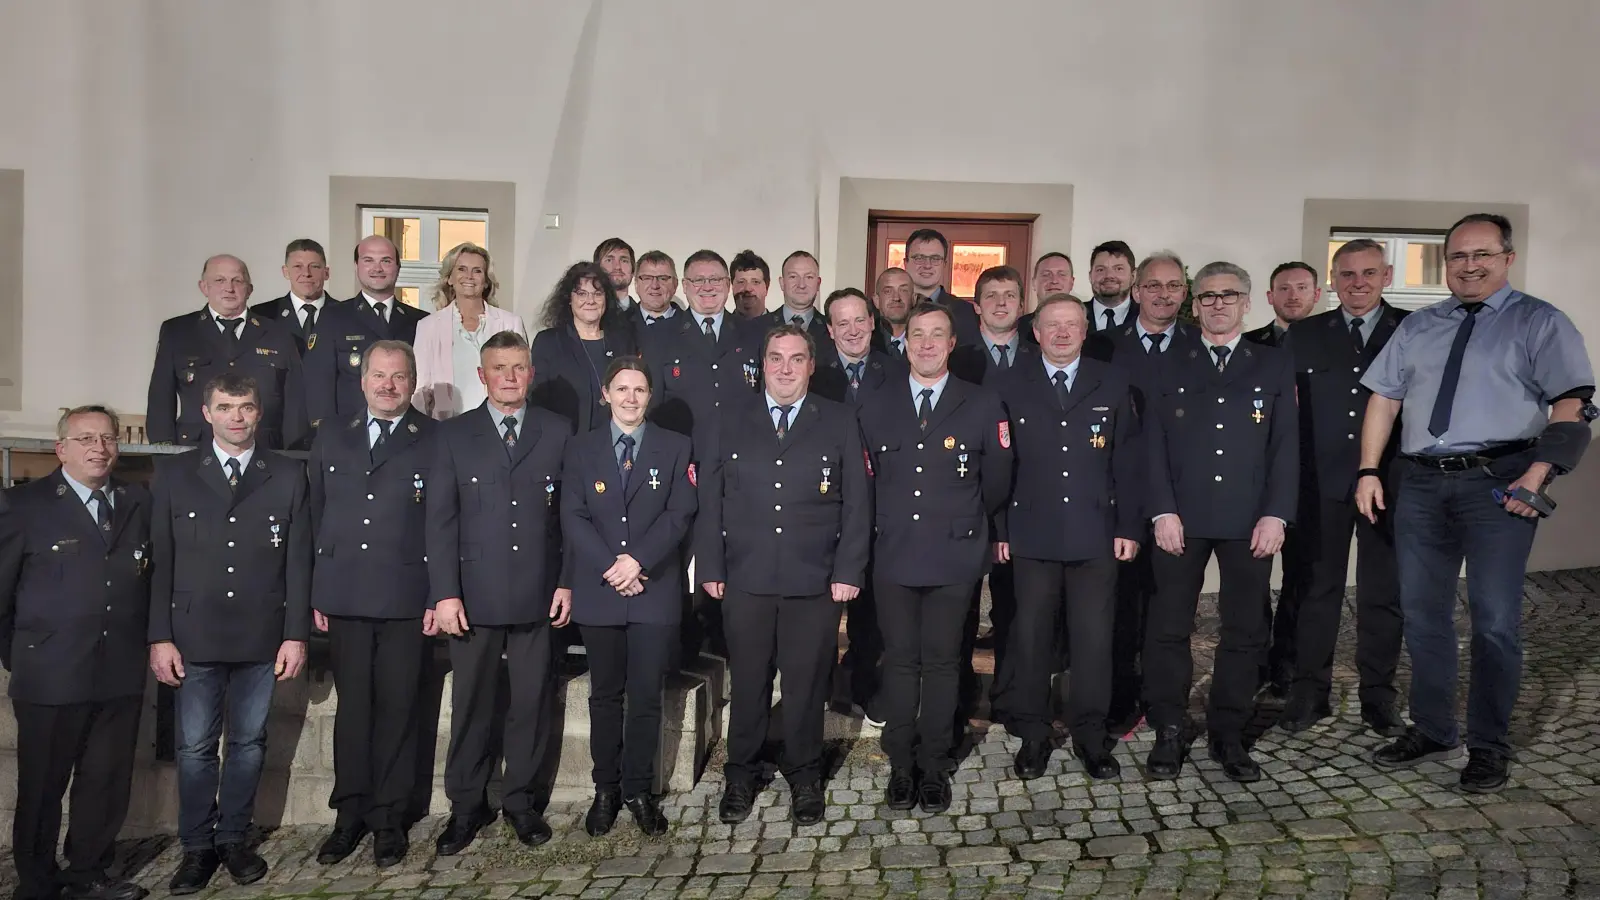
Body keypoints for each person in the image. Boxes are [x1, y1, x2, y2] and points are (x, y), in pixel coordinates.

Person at [1358, 213, 1596, 793]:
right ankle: (1435, 727)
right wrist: (1369, 470)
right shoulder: (1417, 326)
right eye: (1459, 256)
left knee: (1494, 621)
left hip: (1500, 483)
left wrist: (1539, 475)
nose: (1469, 265)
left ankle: (1489, 745)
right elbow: (1384, 401)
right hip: (1418, 483)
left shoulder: (1540, 322)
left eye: (1482, 254)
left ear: (1506, 258)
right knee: (1422, 614)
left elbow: (1573, 402)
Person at [696, 325, 871, 826]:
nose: (786, 368)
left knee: (805, 684)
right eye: (776, 358)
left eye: (796, 359)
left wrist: (847, 570)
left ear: (811, 366)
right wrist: (709, 564)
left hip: (813, 580)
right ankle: (741, 772)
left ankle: (805, 774)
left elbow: (857, 503)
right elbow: (711, 500)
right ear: (762, 364)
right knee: (748, 682)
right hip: (745, 577)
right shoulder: (728, 419)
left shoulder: (838, 420)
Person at [148, 373, 311, 893]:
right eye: (226, 407)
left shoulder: (285, 475)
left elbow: (299, 562)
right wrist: (159, 636)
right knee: (195, 747)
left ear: (258, 413)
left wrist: (295, 633)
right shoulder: (175, 474)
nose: (236, 417)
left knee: (247, 743)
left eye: (245, 407)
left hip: (260, 634)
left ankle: (233, 840)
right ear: (206, 413)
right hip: (193, 634)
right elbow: (161, 562)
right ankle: (196, 847)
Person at [1141, 262, 1297, 783]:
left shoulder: (1272, 365)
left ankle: (1228, 732)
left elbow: (1285, 448)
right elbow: (1152, 446)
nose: (1218, 304)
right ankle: (1168, 726)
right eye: (1207, 297)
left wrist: (1276, 513)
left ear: (1248, 302)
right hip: (1179, 519)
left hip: (1249, 519)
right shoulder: (1169, 363)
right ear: (1195, 304)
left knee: (1246, 630)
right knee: (1167, 629)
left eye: (1229, 295)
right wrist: (1161, 509)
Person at [859, 302, 1011, 812]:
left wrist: (966, 525)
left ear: (951, 345)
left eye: (937, 335)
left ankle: (935, 762)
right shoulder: (875, 404)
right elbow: (865, 482)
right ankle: (902, 762)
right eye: (917, 334)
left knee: (945, 662)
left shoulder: (982, 402)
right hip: (894, 551)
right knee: (901, 661)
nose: (925, 343)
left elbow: (997, 480)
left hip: (954, 552)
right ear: (905, 344)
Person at [427, 330, 573, 854]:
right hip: (474, 595)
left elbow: (570, 518)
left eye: (518, 367)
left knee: (532, 701)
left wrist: (567, 581)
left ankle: (521, 803)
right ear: (482, 375)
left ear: (530, 373)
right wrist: (445, 594)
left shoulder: (557, 431)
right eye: (499, 368)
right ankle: (466, 806)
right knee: (473, 704)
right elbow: (440, 521)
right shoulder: (453, 436)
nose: (509, 377)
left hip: (538, 590)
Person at [0, 407, 152, 900]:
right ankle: (37, 882)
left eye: (108, 438)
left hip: (118, 669)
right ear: (61, 448)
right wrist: (23, 655)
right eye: (85, 438)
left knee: (105, 782)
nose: (99, 447)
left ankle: (89, 871)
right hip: (50, 672)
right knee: (43, 786)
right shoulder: (24, 505)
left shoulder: (136, 501)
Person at [992, 296, 1142, 781]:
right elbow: (998, 465)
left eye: (1071, 325)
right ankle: (1034, 736)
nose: (1061, 333)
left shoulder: (1114, 381)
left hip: (1096, 534)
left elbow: (1128, 459)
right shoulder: (1009, 383)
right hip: (1030, 534)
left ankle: (1091, 736)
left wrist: (1128, 526)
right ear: (1035, 332)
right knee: (1031, 640)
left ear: (1084, 330)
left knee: (1094, 642)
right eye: (1052, 325)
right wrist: (999, 530)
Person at [306, 341, 437, 869]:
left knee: (400, 708)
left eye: (398, 376)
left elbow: (440, 523)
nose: (387, 385)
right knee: (353, 709)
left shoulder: (432, 438)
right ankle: (350, 814)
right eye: (378, 376)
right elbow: (315, 513)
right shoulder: (332, 434)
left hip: (407, 594)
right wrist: (318, 588)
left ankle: (389, 818)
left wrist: (438, 592)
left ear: (413, 382)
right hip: (345, 593)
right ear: (363, 381)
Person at [1275, 242, 1407, 735]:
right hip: (1319, 483)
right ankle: (1309, 693)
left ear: (1387, 275)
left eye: (1369, 273)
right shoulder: (1304, 334)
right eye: (1347, 274)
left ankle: (1379, 696)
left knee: (1382, 594)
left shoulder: (1412, 329)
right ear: (1332, 280)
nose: (1358, 283)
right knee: (1315, 590)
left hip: (1389, 482)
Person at [560, 359, 696, 838]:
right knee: (603, 695)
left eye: (640, 389)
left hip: (653, 588)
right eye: (622, 388)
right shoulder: (580, 449)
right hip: (601, 591)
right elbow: (573, 515)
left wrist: (637, 561)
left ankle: (639, 789)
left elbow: (680, 513)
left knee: (644, 697)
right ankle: (605, 789)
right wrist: (611, 567)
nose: (631, 398)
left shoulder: (675, 447)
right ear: (605, 393)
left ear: (650, 395)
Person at [1089, 252, 1198, 731]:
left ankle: (1164, 704)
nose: (1163, 294)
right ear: (1136, 291)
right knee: (1119, 607)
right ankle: (1119, 698)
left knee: (1170, 610)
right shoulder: (1105, 347)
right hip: (1120, 496)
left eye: (1173, 286)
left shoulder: (1199, 346)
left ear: (1184, 293)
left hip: (1181, 497)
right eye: (1153, 286)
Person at [642, 250, 763, 658]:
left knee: (735, 555)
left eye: (715, 280)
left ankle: (728, 645)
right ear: (684, 286)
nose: (707, 288)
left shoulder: (752, 335)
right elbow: (654, 410)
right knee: (681, 558)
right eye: (698, 281)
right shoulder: (661, 338)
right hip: (683, 470)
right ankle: (681, 650)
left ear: (729, 285)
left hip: (739, 472)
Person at [946, 266, 1038, 724]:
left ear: (1022, 306)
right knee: (961, 609)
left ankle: (1010, 698)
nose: (1001, 303)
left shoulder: (1042, 357)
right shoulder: (956, 359)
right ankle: (959, 698)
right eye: (992, 296)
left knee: (1015, 608)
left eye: (1010, 295)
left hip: (1026, 502)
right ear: (976, 306)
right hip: (965, 500)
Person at [812, 288, 900, 721]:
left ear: (872, 322)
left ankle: (865, 685)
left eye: (858, 320)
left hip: (881, 504)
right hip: (823, 504)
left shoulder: (898, 371)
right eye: (841, 323)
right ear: (829, 330)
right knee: (819, 610)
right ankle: (824, 688)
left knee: (871, 611)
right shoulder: (814, 373)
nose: (851, 330)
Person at [146, 254, 308, 450]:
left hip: (264, 453)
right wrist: (165, 456)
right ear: (204, 287)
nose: (229, 288)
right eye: (219, 280)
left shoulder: (278, 334)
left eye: (237, 281)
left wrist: (292, 457)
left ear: (249, 289)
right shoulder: (178, 332)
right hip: (195, 453)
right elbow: (160, 401)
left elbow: (295, 405)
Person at [305, 236, 427, 421]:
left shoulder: (421, 321)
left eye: (386, 261)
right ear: (356, 267)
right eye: (368, 260)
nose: (377, 268)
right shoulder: (333, 317)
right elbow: (318, 385)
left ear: (398, 267)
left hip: (408, 435)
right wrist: (326, 436)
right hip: (351, 436)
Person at [412, 242, 528, 421]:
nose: (469, 276)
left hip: (499, 425)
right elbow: (420, 391)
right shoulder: (428, 326)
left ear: (486, 280)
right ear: (449, 278)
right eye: (462, 269)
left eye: (477, 271)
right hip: (447, 428)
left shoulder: (510, 323)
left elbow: (522, 379)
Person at [531, 262, 641, 436]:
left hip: (614, 444)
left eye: (597, 294)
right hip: (565, 445)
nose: (590, 301)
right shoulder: (549, 342)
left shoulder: (623, 341)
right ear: (569, 298)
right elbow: (536, 401)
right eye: (582, 294)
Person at [250, 238, 338, 358]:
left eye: (314, 267)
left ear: (326, 273)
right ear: (286, 272)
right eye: (298, 266)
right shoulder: (263, 315)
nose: (306, 273)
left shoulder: (346, 314)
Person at [901, 229, 982, 346]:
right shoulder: (892, 308)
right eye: (919, 258)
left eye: (935, 259)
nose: (927, 265)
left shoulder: (968, 313)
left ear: (944, 264)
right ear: (906, 263)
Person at [761, 251, 835, 359]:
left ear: (818, 283)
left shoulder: (833, 331)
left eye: (809, 277)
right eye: (793, 277)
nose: (801, 285)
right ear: (782, 283)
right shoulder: (758, 328)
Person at [1245, 261, 1321, 346]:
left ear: (1316, 295)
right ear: (1270, 297)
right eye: (1284, 289)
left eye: (1302, 288)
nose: (1293, 297)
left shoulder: (1334, 342)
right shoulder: (1245, 343)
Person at [1016, 252, 1074, 345]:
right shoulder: (1017, 329)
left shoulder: (1086, 326)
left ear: (1072, 283)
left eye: (1061, 274)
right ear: (1034, 283)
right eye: (1046, 275)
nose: (1054, 281)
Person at [1085, 241, 1138, 334]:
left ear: (1133, 276)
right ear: (1090, 276)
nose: (1109, 275)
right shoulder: (1072, 315)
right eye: (1100, 269)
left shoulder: (1147, 316)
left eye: (1118, 269)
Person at [629, 250, 684, 333]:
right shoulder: (618, 325)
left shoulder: (694, 326)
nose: (655, 286)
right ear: (636, 284)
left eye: (663, 278)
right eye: (647, 278)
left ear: (675, 284)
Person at [874, 267, 915, 357]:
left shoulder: (925, 341)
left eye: (903, 290)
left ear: (913, 299)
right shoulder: (864, 340)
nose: (896, 298)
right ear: (876, 301)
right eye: (888, 291)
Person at [594, 237, 636, 309]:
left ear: (633, 271)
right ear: (596, 268)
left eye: (624, 261)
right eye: (609, 260)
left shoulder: (646, 318)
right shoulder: (581, 315)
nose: (617, 267)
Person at [730, 249, 771, 319]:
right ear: (732, 286)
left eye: (755, 282)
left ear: (767, 287)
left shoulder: (782, 327)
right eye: (741, 282)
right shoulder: (720, 328)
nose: (747, 288)